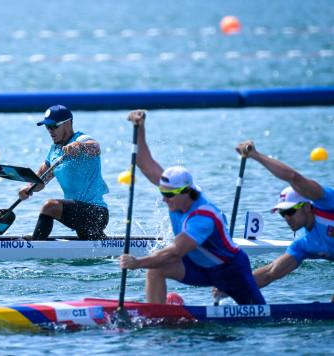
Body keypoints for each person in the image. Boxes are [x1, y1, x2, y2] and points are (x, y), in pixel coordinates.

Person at [118, 110, 265, 305]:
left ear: (186, 192)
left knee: (257, 314)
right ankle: (156, 318)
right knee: (156, 268)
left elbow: (175, 252)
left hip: (230, 269)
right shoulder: (175, 190)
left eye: (169, 195)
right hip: (197, 266)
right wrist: (140, 127)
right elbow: (145, 164)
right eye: (162, 193)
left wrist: (137, 263)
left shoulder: (201, 217)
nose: (164, 199)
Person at [232, 140, 334, 302]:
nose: (287, 218)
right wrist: (231, 287)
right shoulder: (304, 244)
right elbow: (269, 274)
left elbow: (294, 178)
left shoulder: (327, 203)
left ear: (307, 206)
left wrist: (256, 156)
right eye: (282, 214)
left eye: (291, 211)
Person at [18, 104, 109, 240]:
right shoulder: (54, 151)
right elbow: (40, 180)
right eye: (47, 127)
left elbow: (96, 148)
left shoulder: (81, 139)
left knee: (50, 206)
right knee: (93, 245)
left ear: (68, 124)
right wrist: (28, 187)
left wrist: (79, 146)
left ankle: (36, 245)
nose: (50, 130)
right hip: (79, 215)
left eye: (54, 126)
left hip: (96, 212)